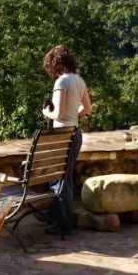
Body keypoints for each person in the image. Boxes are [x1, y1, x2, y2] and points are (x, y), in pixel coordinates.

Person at [39, 44, 91, 233]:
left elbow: (58, 114)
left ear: (55, 64)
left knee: (59, 178)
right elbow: (87, 108)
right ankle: (58, 217)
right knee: (65, 177)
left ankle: (63, 223)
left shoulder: (61, 82)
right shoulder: (79, 80)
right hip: (75, 133)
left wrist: (46, 112)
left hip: (61, 135)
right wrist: (73, 117)